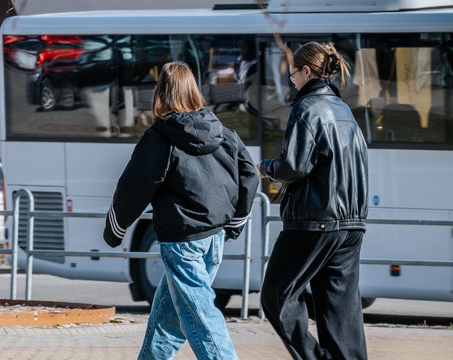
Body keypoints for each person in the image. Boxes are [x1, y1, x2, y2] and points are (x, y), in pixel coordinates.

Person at [102, 61, 259, 360]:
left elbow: (133, 186)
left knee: (201, 318)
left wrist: (115, 230)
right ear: (193, 91)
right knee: (168, 319)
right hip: (215, 238)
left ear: (161, 93)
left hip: (182, 242)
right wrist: (236, 223)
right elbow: (249, 175)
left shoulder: (160, 138)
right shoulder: (224, 133)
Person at [257, 42, 369, 360]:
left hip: (314, 220)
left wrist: (266, 168)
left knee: (277, 295)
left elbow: (294, 166)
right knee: (340, 307)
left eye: (292, 73)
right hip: (352, 224)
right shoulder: (344, 111)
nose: (291, 80)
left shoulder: (307, 108)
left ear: (306, 72)